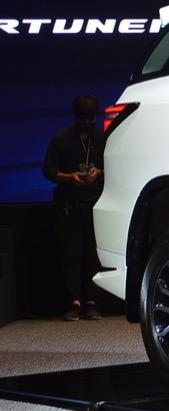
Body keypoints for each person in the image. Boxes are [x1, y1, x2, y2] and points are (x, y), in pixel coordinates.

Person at [43, 95, 106, 321]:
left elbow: (112, 167)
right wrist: (70, 177)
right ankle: (74, 302)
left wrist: (99, 172)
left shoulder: (102, 139)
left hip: (95, 203)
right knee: (71, 254)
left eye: (90, 119)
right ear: (75, 117)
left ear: (95, 117)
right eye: (83, 119)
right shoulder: (61, 139)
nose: (87, 123)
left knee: (93, 254)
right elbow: (48, 171)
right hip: (68, 205)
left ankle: (92, 302)